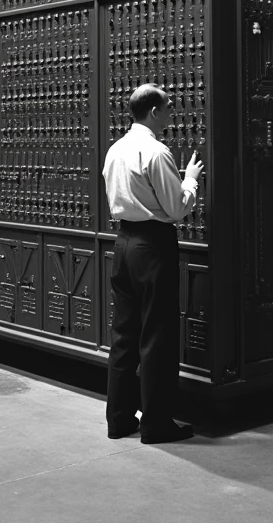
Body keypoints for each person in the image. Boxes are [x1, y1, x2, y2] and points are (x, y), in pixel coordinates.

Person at [103, 84, 204, 443]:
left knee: (124, 336)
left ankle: (119, 420)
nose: (172, 110)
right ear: (154, 112)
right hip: (153, 246)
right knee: (157, 338)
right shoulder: (156, 151)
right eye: (168, 106)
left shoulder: (116, 149)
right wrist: (190, 181)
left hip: (124, 243)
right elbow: (176, 208)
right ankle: (157, 425)